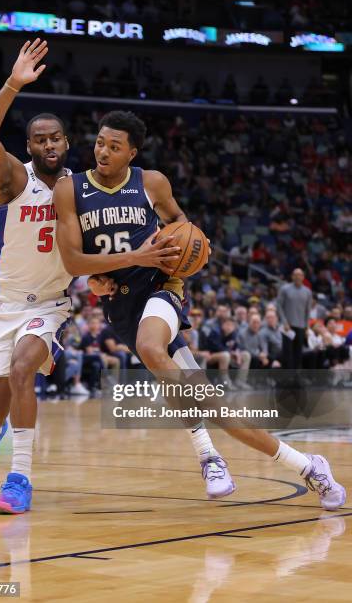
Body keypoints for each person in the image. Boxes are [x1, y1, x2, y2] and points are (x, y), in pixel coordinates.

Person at [54, 110, 345, 511]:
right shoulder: (70, 189)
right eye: (100, 142)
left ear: (132, 153)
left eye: (114, 146)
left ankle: (208, 455)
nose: (103, 151)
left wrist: (180, 257)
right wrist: (101, 273)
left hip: (160, 290)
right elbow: (72, 260)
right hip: (119, 304)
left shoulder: (151, 182)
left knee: (153, 350)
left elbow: (183, 227)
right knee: (213, 405)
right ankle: (306, 465)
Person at [0, 42, 179, 514]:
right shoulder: (12, 180)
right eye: (40, 138)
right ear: (29, 146)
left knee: (25, 369)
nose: (49, 144)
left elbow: (92, 248)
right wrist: (13, 84)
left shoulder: (78, 190)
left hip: (50, 304)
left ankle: (20, 477)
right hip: (4, 303)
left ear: (66, 143)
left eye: (56, 138)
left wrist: (97, 280)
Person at [277, 268, 312, 370]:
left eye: (300, 275)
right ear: (292, 276)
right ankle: (286, 379)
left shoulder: (308, 291)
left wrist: (307, 326)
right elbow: (279, 306)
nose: (297, 277)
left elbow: (308, 310)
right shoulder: (284, 289)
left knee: (298, 353)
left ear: (303, 277)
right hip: (288, 326)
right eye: (295, 275)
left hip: (301, 326)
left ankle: (296, 378)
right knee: (287, 353)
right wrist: (284, 322)